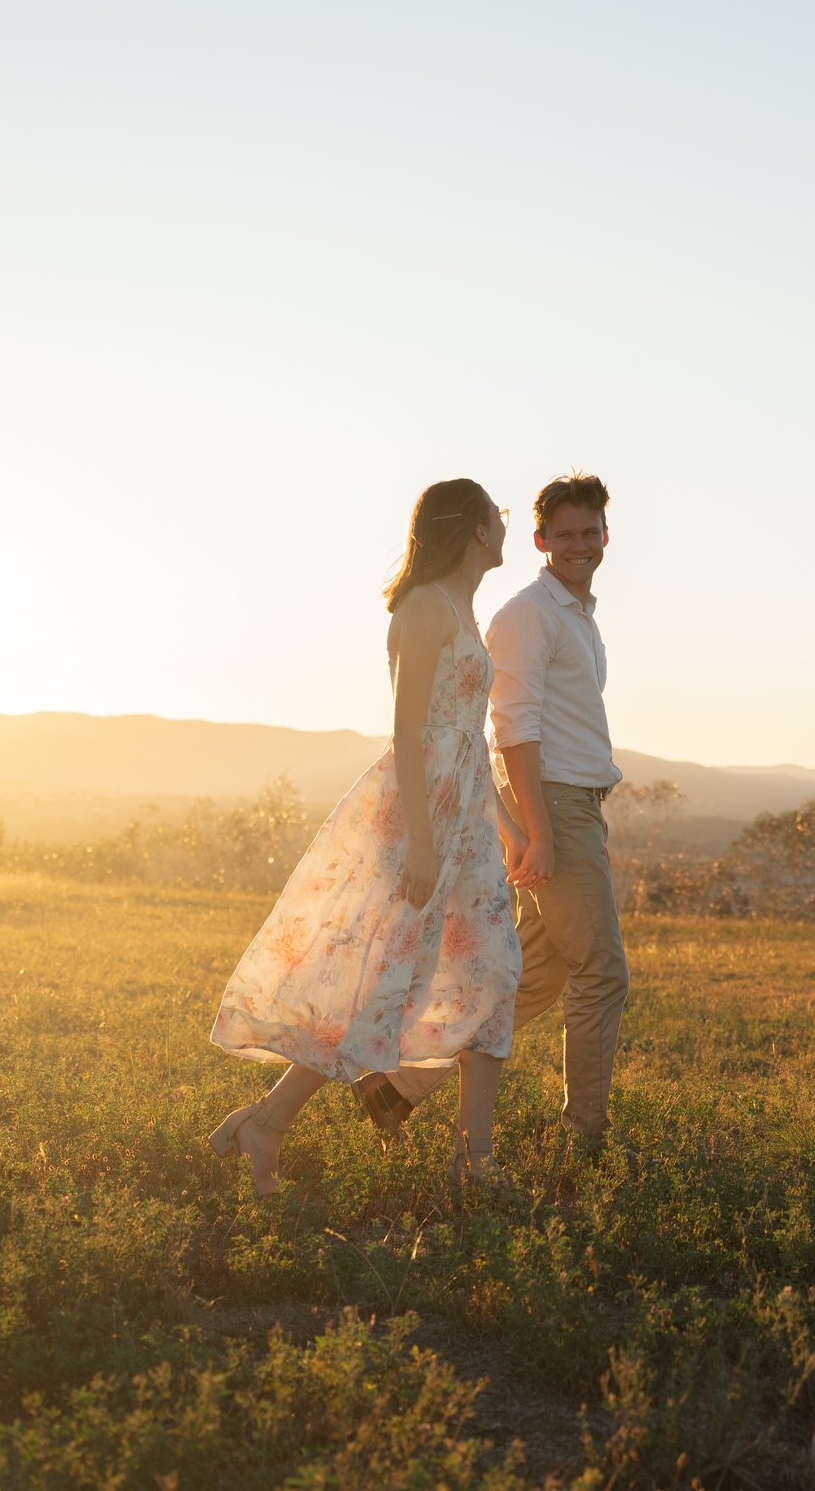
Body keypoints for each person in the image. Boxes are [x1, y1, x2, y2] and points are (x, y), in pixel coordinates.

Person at [206, 479, 527, 1196]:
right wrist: (420, 839)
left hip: (463, 823)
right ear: (476, 530)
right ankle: (268, 1122)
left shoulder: (463, 610)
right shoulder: (424, 608)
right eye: (497, 517)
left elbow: (471, 740)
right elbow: (407, 732)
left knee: (494, 973)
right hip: (418, 817)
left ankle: (474, 1162)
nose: (501, 528)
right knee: (374, 986)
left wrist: (503, 826)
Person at [373, 472, 627, 1158]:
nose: (579, 544)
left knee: (536, 972)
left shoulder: (575, 613)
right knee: (603, 972)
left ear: (607, 535)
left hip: (574, 802)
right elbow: (511, 728)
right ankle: (586, 1141)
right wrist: (536, 830)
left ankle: (397, 1087)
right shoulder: (527, 615)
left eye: (590, 532)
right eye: (564, 534)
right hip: (553, 804)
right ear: (541, 540)